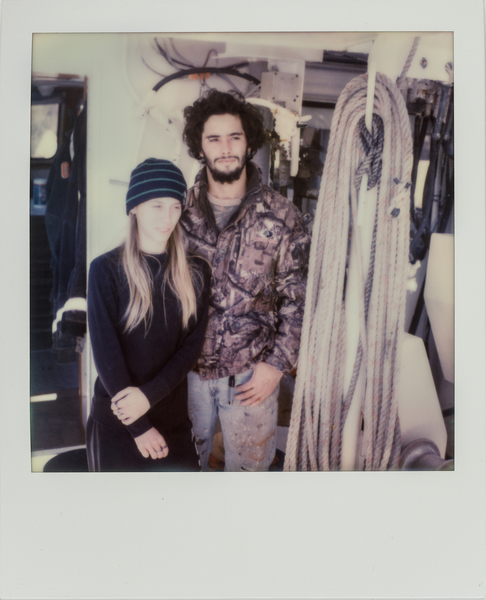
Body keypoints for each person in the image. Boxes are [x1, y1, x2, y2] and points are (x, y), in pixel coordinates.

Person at [181, 89, 310, 472]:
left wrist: (276, 366)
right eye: (214, 138)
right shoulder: (179, 213)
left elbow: (299, 300)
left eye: (234, 137)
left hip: (253, 376)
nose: (225, 148)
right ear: (199, 146)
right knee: (185, 472)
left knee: (249, 479)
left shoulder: (282, 215)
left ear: (248, 142)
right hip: (186, 375)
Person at [86, 158, 210, 472]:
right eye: (156, 205)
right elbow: (105, 354)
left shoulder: (197, 271)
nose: (167, 218)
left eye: (174, 206)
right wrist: (139, 426)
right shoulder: (105, 270)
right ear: (134, 208)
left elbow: (190, 348)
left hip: (172, 420)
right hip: (119, 421)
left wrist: (149, 396)